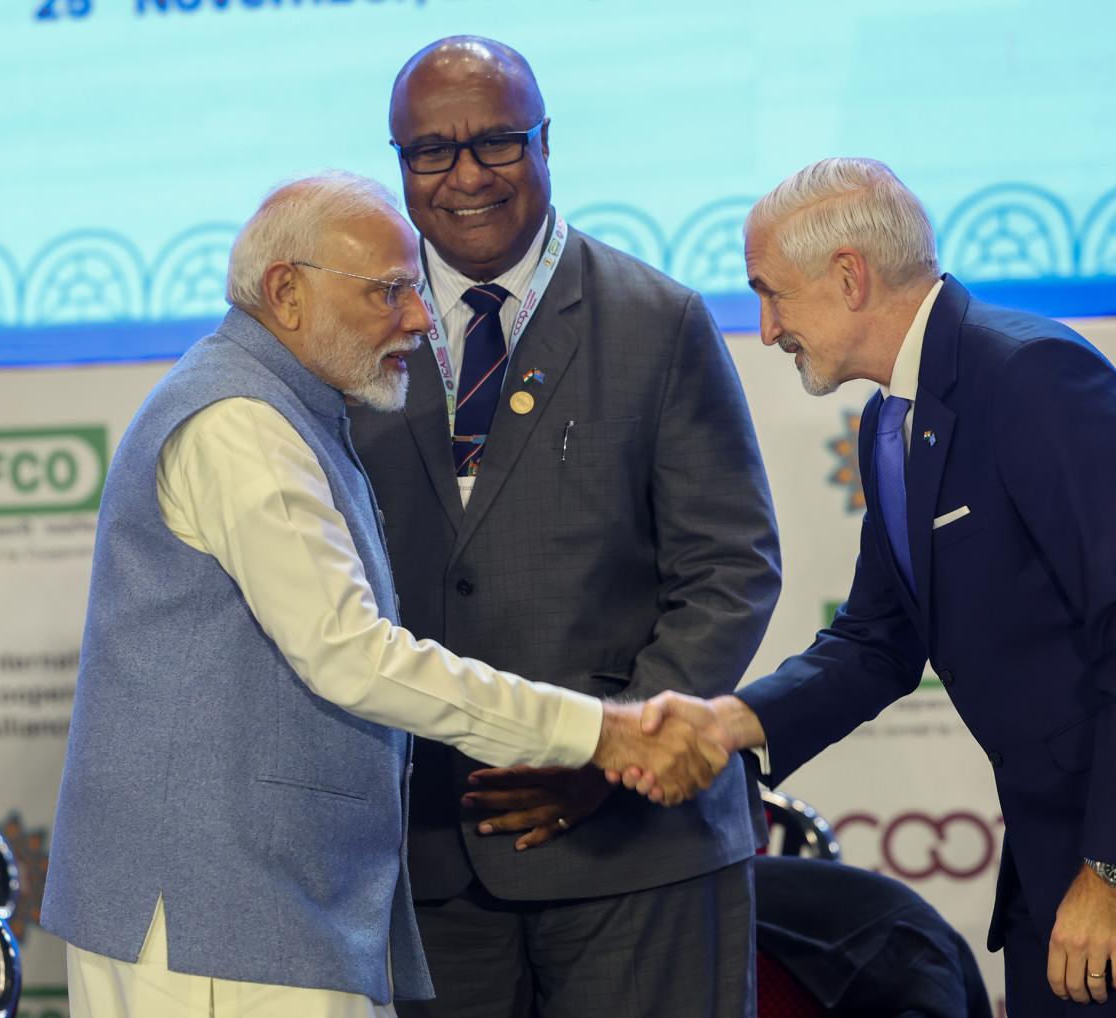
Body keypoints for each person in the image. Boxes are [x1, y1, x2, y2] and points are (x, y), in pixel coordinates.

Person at [40, 172, 726, 1018]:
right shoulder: (240, 426)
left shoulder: (287, 408)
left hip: (254, 909)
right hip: (215, 921)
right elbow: (351, 656)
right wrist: (598, 729)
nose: (419, 315)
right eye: (390, 291)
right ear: (286, 293)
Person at [628, 157, 1116, 1016]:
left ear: (849, 276)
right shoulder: (889, 419)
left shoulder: (1035, 378)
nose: (765, 329)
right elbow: (876, 639)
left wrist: (1115, 870)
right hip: (1065, 840)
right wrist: (732, 724)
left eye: (772, 294)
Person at [349, 36, 781, 1018]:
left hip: (636, 852)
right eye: (430, 152)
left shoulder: (656, 319)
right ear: (398, 161)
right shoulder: (347, 329)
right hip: (419, 863)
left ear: (546, 143)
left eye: (495, 143)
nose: (464, 176)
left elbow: (730, 570)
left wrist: (611, 752)